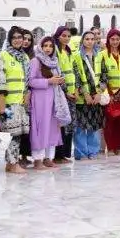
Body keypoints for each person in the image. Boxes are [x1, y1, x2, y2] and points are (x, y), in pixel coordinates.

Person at [27, 35, 70, 168]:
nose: (48, 48)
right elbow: (31, 81)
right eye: (45, 46)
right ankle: (38, 160)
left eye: (50, 46)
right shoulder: (36, 61)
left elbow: (57, 78)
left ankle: (48, 157)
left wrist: (60, 80)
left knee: (52, 128)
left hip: (54, 99)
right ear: (40, 47)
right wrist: (49, 81)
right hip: (40, 100)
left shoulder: (55, 61)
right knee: (40, 128)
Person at [0, 28, 31, 172]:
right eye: (14, 37)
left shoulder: (24, 57)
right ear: (10, 40)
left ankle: (10, 164)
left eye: (20, 37)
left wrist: (27, 94)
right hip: (9, 102)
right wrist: (2, 102)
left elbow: (26, 79)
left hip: (21, 102)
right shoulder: (3, 56)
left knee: (19, 133)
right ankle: (13, 163)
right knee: (11, 134)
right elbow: (0, 79)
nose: (18, 40)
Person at [98, 29, 120, 155]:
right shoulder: (102, 54)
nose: (115, 42)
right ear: (108, 40)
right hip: (110, 94)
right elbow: (102, 76)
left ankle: (118, 147)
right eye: (112, 39)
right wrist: (109, 93)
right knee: (109, 122)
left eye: (117, 39)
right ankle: (111, 146)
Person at [71, 30, 105, 160]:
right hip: (82, 97)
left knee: (94, 126)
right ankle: (81, 153)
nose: (90, 41)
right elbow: (76, 77)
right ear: (82, 41)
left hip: (96, 97)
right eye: (87, 39)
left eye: (92, 39)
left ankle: (93, 151)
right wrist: (85, 94)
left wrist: (99, 93)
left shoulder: (99, 56)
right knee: (80, 127)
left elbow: (104, 75)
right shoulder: (76, 56)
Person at [53, 26, 77, 164]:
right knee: (61, 124)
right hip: (62, 93)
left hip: (71, 92)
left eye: (68, 36)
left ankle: (65, 154)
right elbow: (57, 72)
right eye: (63, 36)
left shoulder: (67, 51)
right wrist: (65, 91)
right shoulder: (56, 51)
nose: (66, 38)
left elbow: (71, 71)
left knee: (69, 124)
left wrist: (74, 90)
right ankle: (58, 154)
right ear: (58, 36)